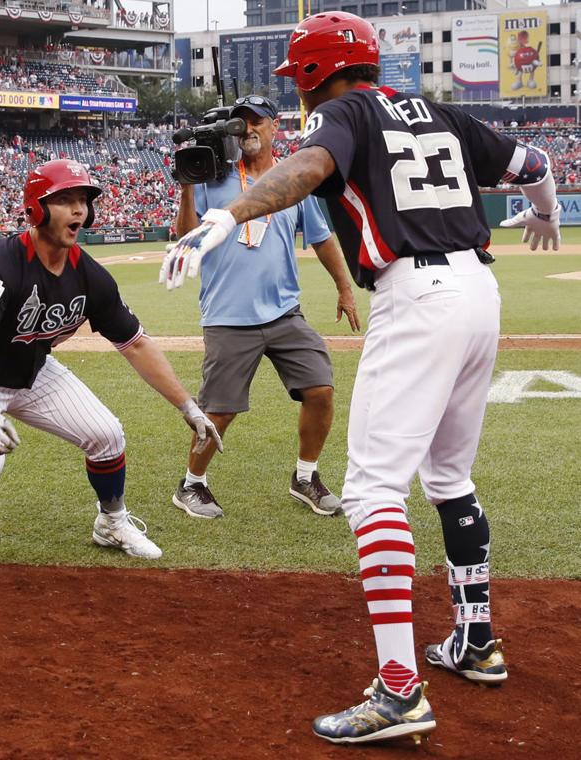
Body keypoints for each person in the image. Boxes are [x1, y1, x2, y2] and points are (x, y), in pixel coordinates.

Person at [162, 13, 560, 745]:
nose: (299, 95)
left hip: (417, 298)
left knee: (374, 491)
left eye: (298, 78)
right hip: (480, 294)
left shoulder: (344, 111)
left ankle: (401, 692)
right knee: (449, 478)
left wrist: (230, 215)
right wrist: (545, 213)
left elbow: (307, 171)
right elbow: (536, 166)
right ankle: (475, 642)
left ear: (315, 73)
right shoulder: (441, 112)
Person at [0, 159, 222, 603]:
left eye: (83, 200)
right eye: (64, 200)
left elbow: (135, 344)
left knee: (106, 434)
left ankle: (111, 522)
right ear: (35, 210)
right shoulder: (2, 262)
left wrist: (188, 406)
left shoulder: (89, 274)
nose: (78, 210)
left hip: (30, 370)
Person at [163, 94, 359, 519]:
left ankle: (305, 477)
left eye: (256, 121)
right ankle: (191, 484)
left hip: (285, 312)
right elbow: (185, 236)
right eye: (240, 122)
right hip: (228, 316)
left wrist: (344, 288)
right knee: (220, 410)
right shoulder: (213, 179)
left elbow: (323, 239)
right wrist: (187, 186)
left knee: (320, 389)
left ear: (275, 127)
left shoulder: (294, 180)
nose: (248, 129)